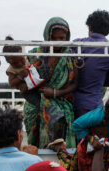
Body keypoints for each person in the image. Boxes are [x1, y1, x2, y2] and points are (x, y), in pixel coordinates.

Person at [23, 17, 78, 149]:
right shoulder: (35, 54)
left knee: (58, 117)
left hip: (60, 100)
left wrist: (55, 92)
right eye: (54, 38)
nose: (58, 42)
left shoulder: (72, 56)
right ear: (47, 36)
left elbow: (75, 84)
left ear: (67, 38)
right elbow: (25, 78)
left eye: (62, 38)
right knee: (34, 138)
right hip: (36, 101)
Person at [72, 10, 109, 118]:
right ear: (108, 31)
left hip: (74, 103)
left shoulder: (77, 44)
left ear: (90, 28)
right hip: (95, 106)